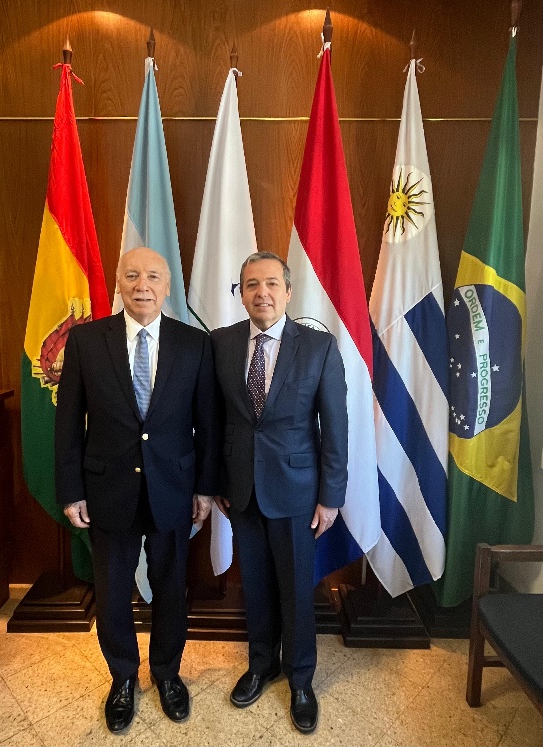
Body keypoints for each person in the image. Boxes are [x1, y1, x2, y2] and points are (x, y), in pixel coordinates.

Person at [55, 247, 218, 733]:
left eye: (152, 277)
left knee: (171, 587)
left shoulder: (194, 344)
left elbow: (207, 425)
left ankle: (167, 673)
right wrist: (71, 490)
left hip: (174, 489)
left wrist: (205, 489)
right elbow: (68, 423)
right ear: (119, 284)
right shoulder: (86, 341)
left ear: (167, 287)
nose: (142, 285)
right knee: (111, 592)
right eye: (132, 275)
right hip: (107, 490)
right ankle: (123, 677)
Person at [211, 251, 348, 734]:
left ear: (288, 292)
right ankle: (262, 664)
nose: (261, 293)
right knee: (255, 586)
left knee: (295, 591)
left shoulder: (319, 347)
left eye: (271, 283)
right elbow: (215, 421)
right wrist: (217, 481)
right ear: (241, 293)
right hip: (241, 490)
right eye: (251, 284)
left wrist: (331, 496)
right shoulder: (222, 343)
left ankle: (301, 679)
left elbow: (335, 425)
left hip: (297, 491)